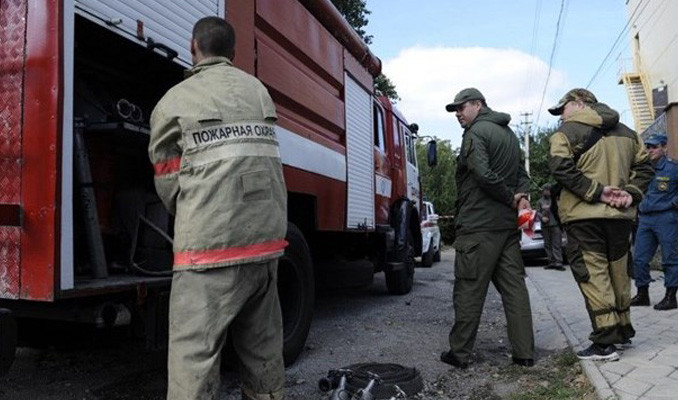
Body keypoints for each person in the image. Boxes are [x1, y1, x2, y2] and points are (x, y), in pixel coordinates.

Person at [148, 17, 287, 400]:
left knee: (194, 359)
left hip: (208, 249)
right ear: (234, 52)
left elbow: (168, 175)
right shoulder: (258, 91)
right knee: (263, 353)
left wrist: (194, 211)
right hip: (264, 244)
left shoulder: (175, 100)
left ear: (194, 45)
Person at [547, 88, 653, 361]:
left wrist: (596, 191)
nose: (561, 116)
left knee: (593, 275)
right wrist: (630, 193)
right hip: (620, 216)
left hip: (583, 216)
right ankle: (623, 330)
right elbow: (645, 168)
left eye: (563, 109)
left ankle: (605, 343)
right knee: (619, 271)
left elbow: (560, 168)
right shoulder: (629, 133)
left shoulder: (566, 133)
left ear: (580, 103)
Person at [440, 88, 535, 369]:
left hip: (478, 227)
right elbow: (523, 176)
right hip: (506, 228)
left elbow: (481, 173)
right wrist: (521, 198)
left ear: (478, 105)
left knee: (469, 290)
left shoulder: (475, 133)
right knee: (515, 290)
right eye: (455, 109)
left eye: (461, 107)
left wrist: (509, 197)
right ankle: (524, 354)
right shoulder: (508, 134)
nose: (458, 113)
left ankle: (459, 354)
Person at [630, 133, 678, 310]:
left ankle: (671, 297)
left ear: (664, 147)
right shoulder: (643, 169)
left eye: (654, 147)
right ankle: (642, 294)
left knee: (670, 259)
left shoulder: (673, 168)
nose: (650, 150)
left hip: (667, 218)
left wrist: (673, 203)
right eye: (648, 147)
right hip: (645, 218)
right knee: (639, 259)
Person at [536, 183, 565, 271]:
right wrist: (542, 217)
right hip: (545, 226)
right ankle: (551, 262)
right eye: (545, 190)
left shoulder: (556, 200)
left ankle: (558, 262)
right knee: (547, 244)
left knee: (556, 244)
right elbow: (537, 212)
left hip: (555, 225)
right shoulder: (540, 201)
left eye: (548, 190)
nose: (547, 192)